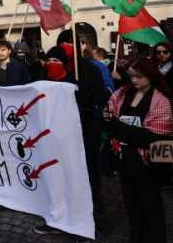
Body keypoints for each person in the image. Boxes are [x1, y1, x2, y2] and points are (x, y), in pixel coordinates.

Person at [33, 43, 110, 239]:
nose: (51, 64)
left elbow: (102, 97)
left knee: (85, 178)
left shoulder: (88, 70)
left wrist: (81, 96)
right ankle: (58, 219)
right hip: (54, 138)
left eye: (56, 60)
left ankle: (90, 223)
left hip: (84, 136)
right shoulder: (44, 75)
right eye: (49, 60)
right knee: (56, 177)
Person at [104, 57, 173, 243]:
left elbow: (153, 137)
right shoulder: (122, 93)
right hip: (125, 160)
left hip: (148, 163)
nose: (134, 81)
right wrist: (115, 125)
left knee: (151, 206)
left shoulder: (161, 102)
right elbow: (108, 116)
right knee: (132, 205)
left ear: (150, 76)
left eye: (139, 77)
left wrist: (119, 128)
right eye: (131, 76)